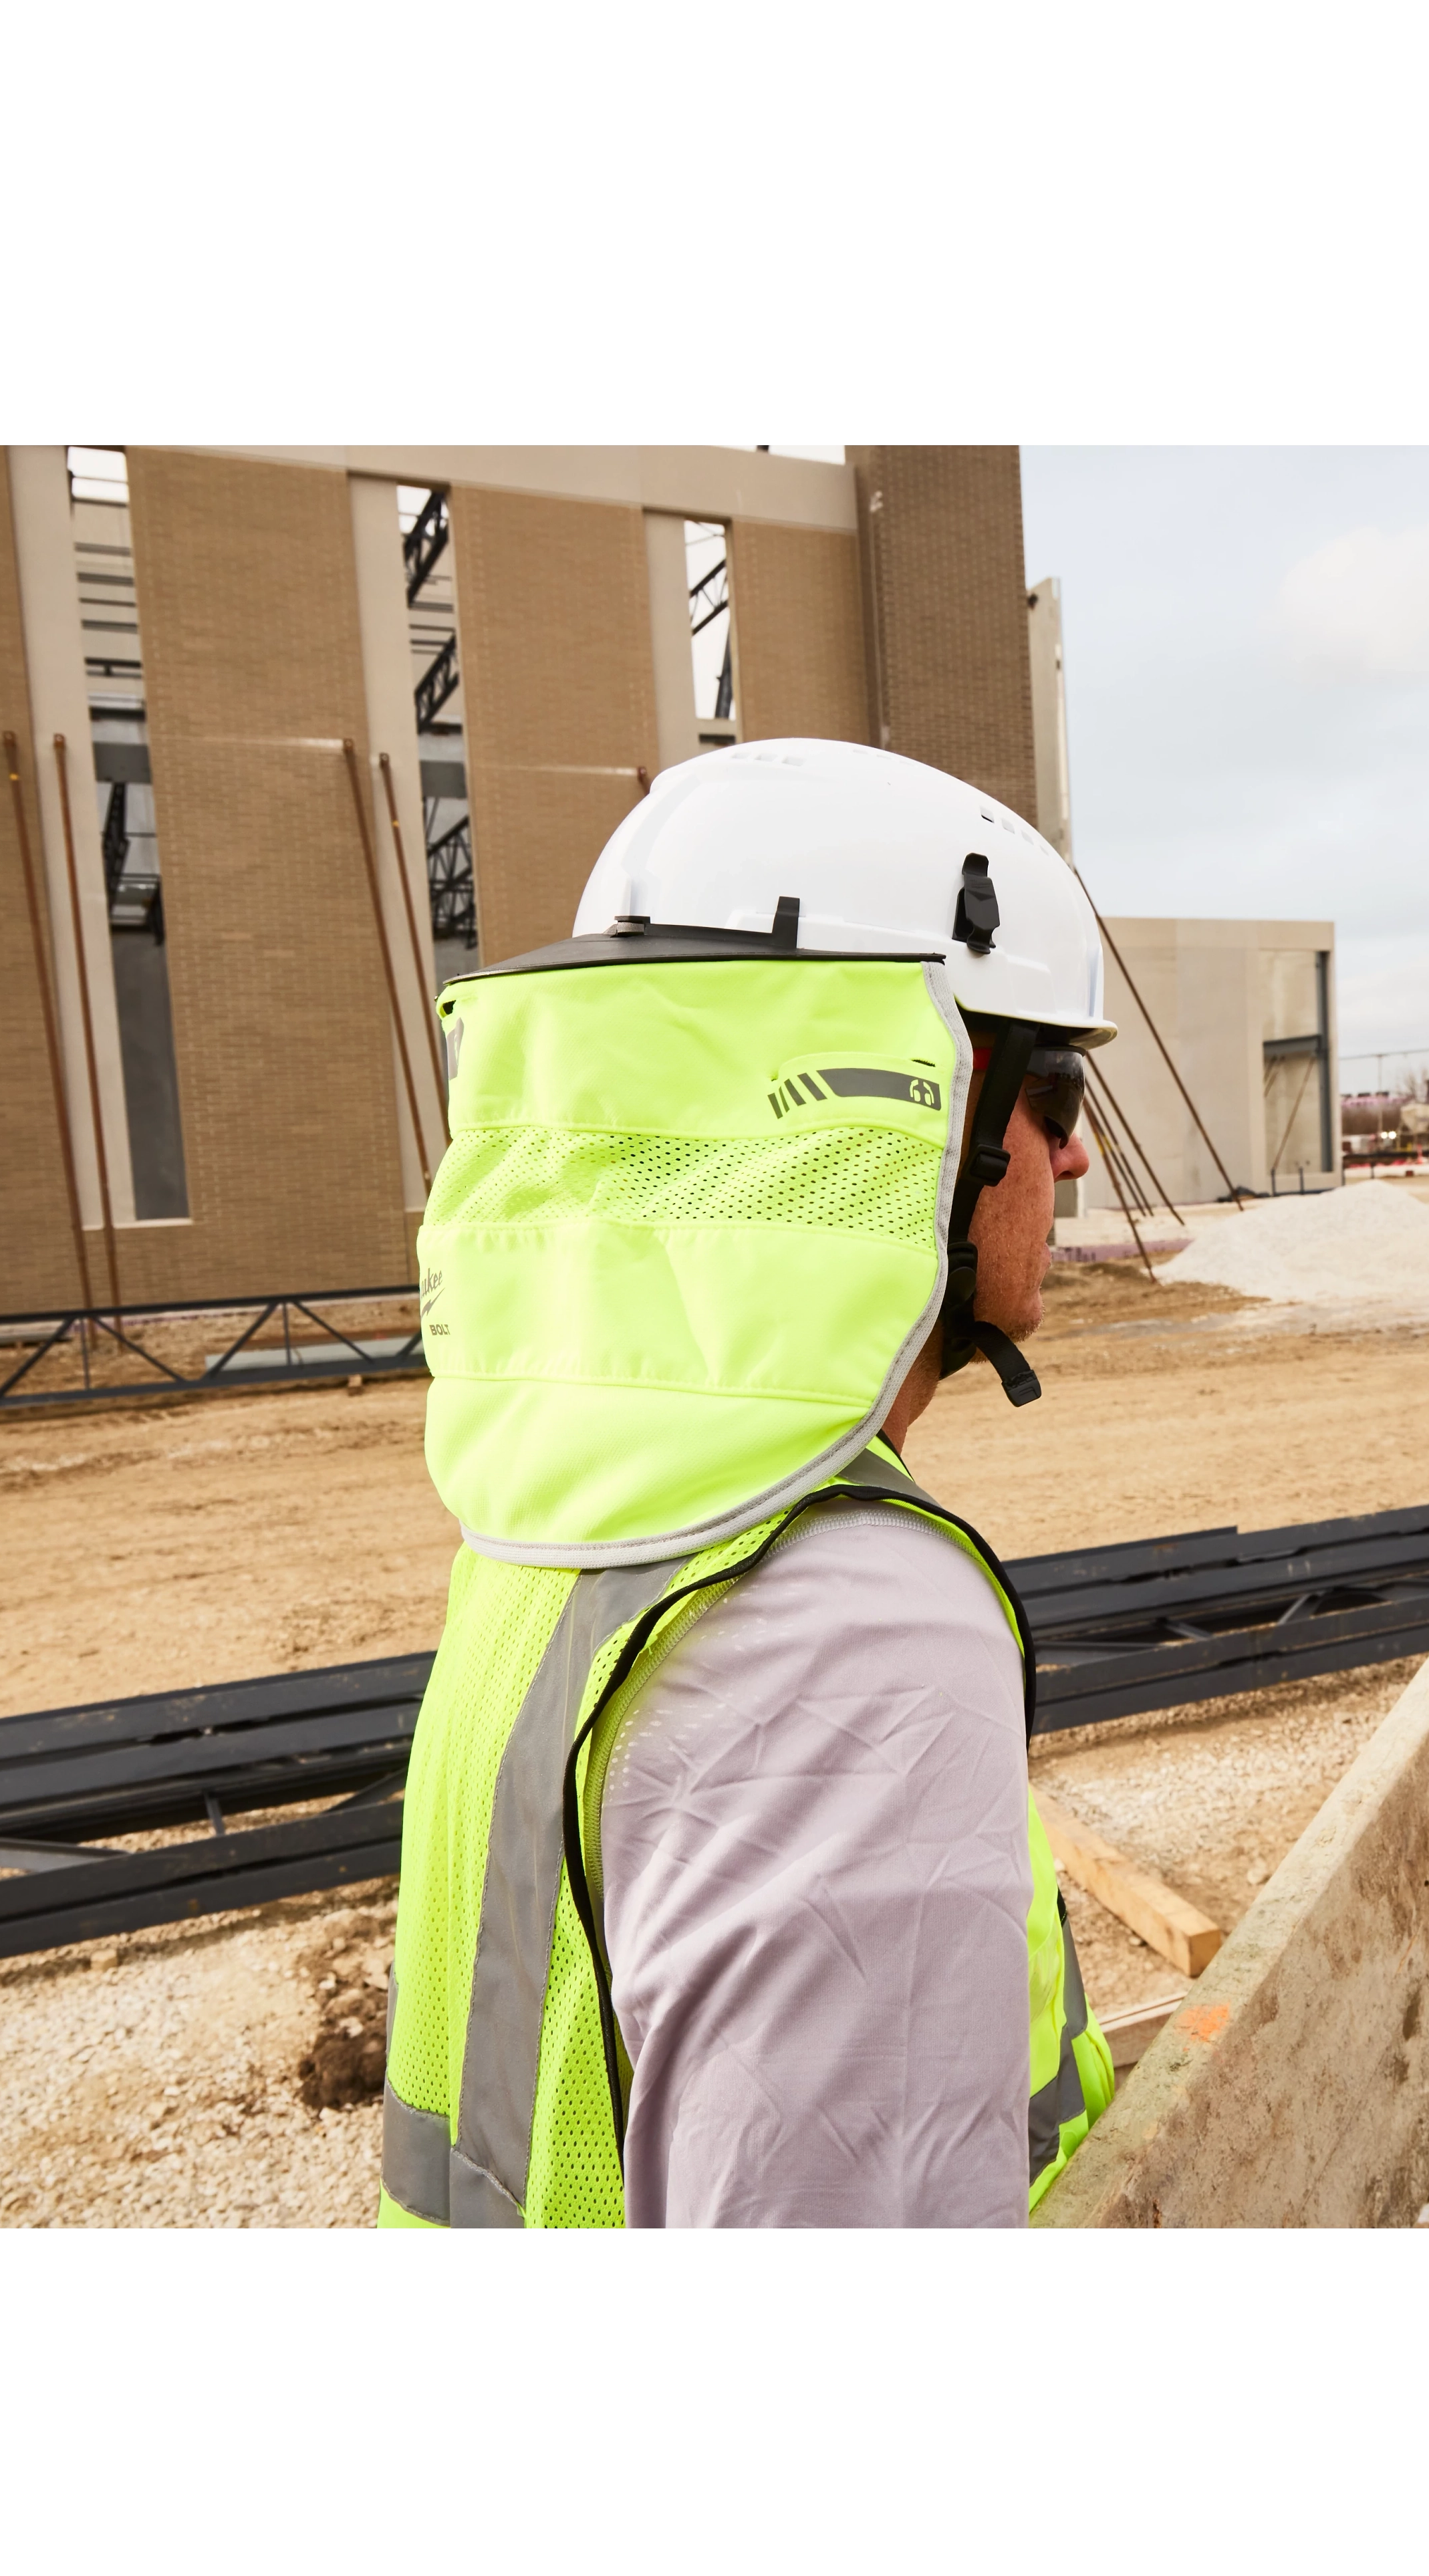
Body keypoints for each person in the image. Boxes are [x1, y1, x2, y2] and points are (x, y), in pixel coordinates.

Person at [378, 740, 1118, 2228]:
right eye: (1048, 1091)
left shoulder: (563, 1506)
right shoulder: (850, 1629)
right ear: (922, 1111)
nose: (1078, 1155)